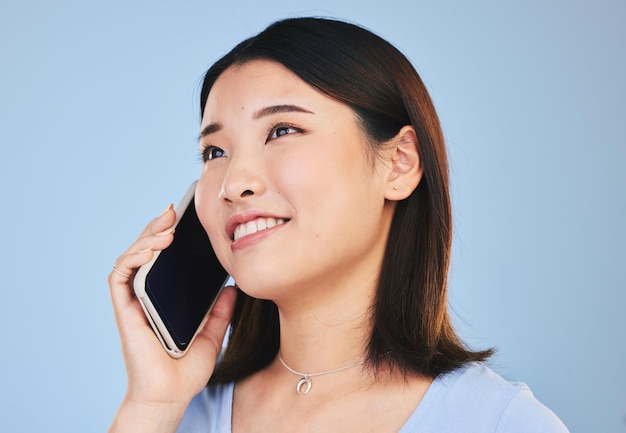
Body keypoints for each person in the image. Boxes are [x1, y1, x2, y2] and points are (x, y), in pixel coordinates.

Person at [108, 17, 569, 433]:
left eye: (282, 130)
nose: (234, 183)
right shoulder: (176, 414)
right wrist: (150, 405)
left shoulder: (499, 422)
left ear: (399, 164)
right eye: (214, 152)